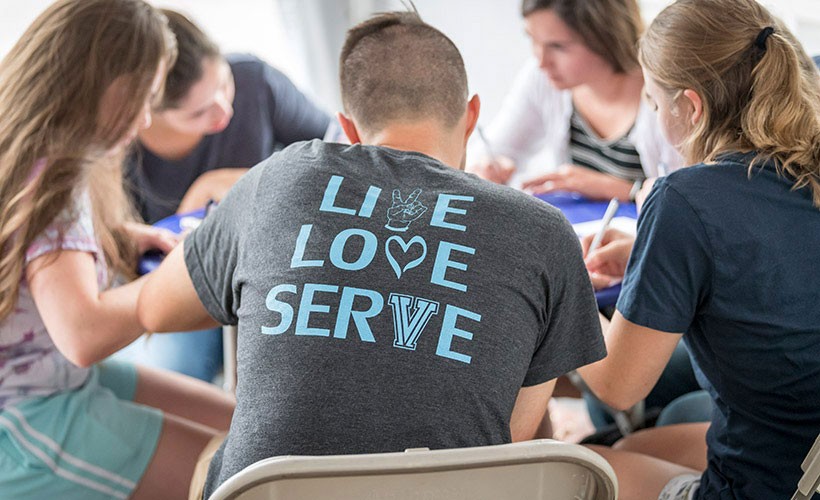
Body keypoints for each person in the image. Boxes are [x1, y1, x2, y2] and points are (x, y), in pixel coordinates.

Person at [138, 9, 607, 498]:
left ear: (348, 127)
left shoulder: (278, 180)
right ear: (471, 115)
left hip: (268, 491)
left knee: (213, 457)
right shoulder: (543, 233)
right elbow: (512, 441)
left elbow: (154, 308)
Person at [576, 0, 820, 498]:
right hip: (805, 452)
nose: (655, 114)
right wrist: (649, 252)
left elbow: (617, 384)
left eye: (654, 102)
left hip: (771, 485)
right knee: (646, 441)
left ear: (690, 106)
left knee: (585, 464)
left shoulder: (685, 199)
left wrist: (562, 289)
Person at [0, 2, 235, 499]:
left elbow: (38, 250)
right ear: (103, 83)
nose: (147, 118)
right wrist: (181, 278)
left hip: (52, 379)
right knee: (246, 476)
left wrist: (118, 239)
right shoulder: (53, 184)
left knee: (245, 428)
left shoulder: (27, 153)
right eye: (143, 100)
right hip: (26, 419)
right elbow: (82, 333)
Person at [115, 9, 334, 382]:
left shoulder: (255, 81)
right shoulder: (121, 150)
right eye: (199, 112)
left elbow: (343, 154)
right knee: (171, 376)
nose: (225, 111)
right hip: (185, 286)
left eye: (223, 84)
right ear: (149, 112)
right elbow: (124, 268)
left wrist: (233, 183)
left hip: (279, 266)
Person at [468, 0, 682, 201]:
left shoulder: (665, 96)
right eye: (532, 39)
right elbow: (492, 151)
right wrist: (487, 168)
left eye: (558, 46)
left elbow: (686, 200)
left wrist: (626, 191)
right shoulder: (542, 79)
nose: (541, 60)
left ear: (605, 37)